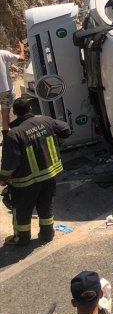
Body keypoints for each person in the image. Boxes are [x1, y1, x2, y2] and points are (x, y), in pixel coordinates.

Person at [0, 98, 70, 246]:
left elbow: (9, 163)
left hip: (26, 181)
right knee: (45, 205)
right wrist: (59, 144)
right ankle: (47, 234)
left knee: (22, 210)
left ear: (14, 113)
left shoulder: (14, 134)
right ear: (30, 109)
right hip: (49, 175)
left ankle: (22, 239)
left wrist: (3, 177)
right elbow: (65, 129)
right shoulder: (46, 121)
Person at [1, 41, 25, 135]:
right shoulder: (3, 53)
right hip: (5, 90)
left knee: (4, 114)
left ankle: (7, 136)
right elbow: (22, 58)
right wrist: (22, 48)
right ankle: (18, 135)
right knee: (14, 112)